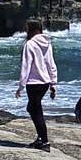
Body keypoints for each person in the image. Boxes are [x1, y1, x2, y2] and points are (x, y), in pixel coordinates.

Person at [15, 19, 58, 150]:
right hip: (44, 83)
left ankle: (44, 141)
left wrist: (21, 86)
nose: (25, 31)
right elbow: (51, 64)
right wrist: (53, 83)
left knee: (36, 111)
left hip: (34, 83)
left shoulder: (30, 44)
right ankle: (40, 138)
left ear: (32, 29)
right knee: (32, 108)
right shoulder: (47, 43)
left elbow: (26, 66)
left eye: (27, 28)